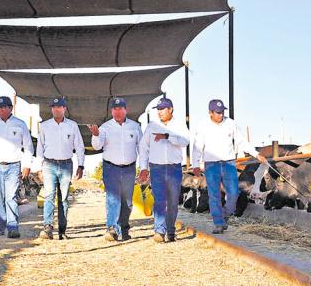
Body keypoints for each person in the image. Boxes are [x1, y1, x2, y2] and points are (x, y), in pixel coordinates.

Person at [192, 99, 267, 234]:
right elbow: (197, 146)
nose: (220, 115)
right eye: (217, 112)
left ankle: (225, 214)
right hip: (211, 165)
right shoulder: (202, 125)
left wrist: (256, 155)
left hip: (228, 163)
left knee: (233, 193)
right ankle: (218, 223)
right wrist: (195, 164)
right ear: (210, 112)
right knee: (214, 195)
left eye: (222, 112)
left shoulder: (230, 123)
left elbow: (242, 141)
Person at [0, 96, 34, 238]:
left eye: (5, 107)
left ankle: (13, 227)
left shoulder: (20, 124)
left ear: (11, 108)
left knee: (10, 197)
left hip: (13, 166)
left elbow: (28, 146)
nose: (2, 110)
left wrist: (27, 165)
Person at [89, 97, 142, 241]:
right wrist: (95, 135)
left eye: (120, 109)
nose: (118, 112)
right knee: (113, 199)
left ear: (126, 110)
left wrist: (144, 168)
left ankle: (124, 228)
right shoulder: (105, 127)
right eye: (115, 109)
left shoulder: (135, 127)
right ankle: (111, 228)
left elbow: (141, 149)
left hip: (129, 169)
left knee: (127, 202)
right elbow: (97, 146)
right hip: (111, 168)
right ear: (111, 111)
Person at [138, 98, 189, 243]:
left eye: (163, 109)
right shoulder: (152, 126)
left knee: (173, 202)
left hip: (174, 168)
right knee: (159, 200)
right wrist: (143, 168)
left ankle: (171, 230)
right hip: (157, 168)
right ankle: (159, 231)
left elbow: (185, 141)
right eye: (158, 109)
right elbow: (143, 147)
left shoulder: (179, 124)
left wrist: (167, 136)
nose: (160, 112)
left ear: (171, 109)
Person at [36, 97, 85, 240]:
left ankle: (62, 230)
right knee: (49, 195)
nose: (56, 109)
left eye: (59, 107)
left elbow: (79, 146)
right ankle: (48, 227)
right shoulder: (44, 126)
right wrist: (39, 168)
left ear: (64, 109)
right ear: (51, 109)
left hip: (66, 165)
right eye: (54, 107)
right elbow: (40, 147)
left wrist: (81, 165)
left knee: (63, 198)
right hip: (49, 164)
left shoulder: (72, 125)